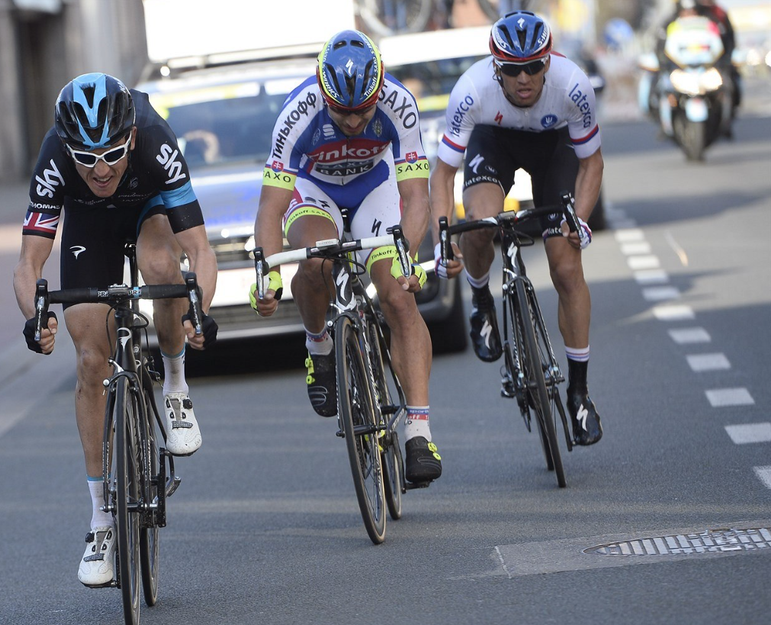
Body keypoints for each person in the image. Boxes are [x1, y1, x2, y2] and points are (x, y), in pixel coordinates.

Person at [13, 73, 218, 588]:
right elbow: (28, 264)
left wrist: (199, 309)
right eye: (86, 158)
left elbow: (201, 250)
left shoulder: (154, 139)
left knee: (161, 266)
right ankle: (102, 519)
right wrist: (34, 317)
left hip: (148, 208)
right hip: (88, 223)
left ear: (130, 136)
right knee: (89, 361)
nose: (100, 169)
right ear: (69, 148)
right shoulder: (56, 157)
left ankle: (174, 387)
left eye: (110, 153)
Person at [252, 29, 463, 486]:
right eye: (342, 111)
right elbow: (271, 208)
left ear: (379, 89)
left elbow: (416, 198)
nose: (352, 121)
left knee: (399, 299)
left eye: (362, 110)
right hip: (315, 193)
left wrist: (406, 259)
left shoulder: (399, 103)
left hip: (375, 190)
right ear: (322, 93)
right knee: (315, 263)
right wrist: (265, 273)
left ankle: (418, 431)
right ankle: (318, 346)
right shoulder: (298, 112)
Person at [428, 11, 604, 446]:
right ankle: (482, 301)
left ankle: (579, 392)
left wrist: (578, 220)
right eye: (511, 68)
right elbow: (442, 175)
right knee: (480, 226)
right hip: (495, 142)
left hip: (555, 147)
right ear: (496, 66)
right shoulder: (472, 91)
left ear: (548, 62)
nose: (523, 78)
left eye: (533, 66)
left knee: (565, 267)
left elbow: (591, 163)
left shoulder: (573, 85)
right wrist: (442, 239)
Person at [654, 0, 739, 137]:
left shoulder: (712, 19)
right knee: (659, 85)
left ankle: (727, 122)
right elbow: (660, 47)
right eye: (685, 12)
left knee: (731, 83)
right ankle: (664, 124)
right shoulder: (671, 23)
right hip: (680, 70)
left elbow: (726, 42)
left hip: (707, 68)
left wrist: (725, 62)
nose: (689, 15)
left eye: (692, 11)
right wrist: (664, 65)